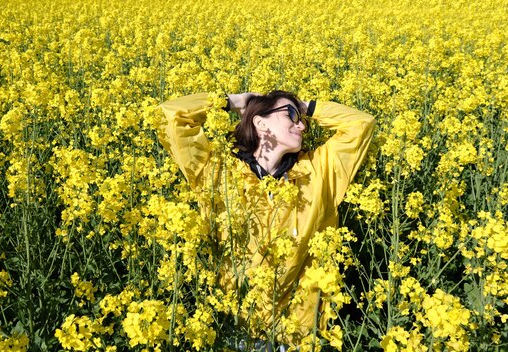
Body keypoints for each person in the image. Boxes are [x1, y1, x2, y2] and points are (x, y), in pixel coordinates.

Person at [158, 91, 375, 347]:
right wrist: (231, 102)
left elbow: (362, 124)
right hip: (235, 324)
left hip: (297, 332)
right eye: (291, 115)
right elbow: (169, 115)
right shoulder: (217, 172)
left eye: (301, 117)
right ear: (260, 122)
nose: (302, 124)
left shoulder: (319, 171)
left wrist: (305, 107)